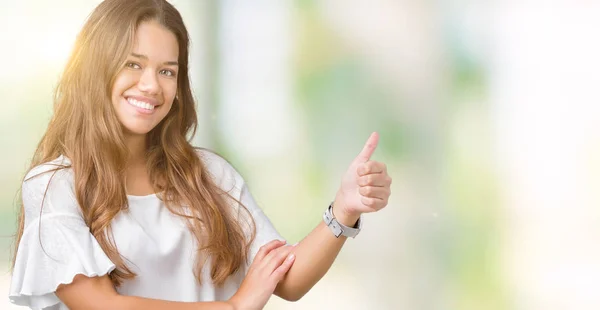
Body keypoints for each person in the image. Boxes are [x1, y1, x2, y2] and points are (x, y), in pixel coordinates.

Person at [8, 0, 392, 309]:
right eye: (133, 64)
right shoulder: (53, 184)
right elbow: (101, 305)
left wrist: (344, 209)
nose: (151, 85)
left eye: (168, 71)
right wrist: (235, 308)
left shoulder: (209, 174)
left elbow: (285, 279)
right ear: (96, 69)